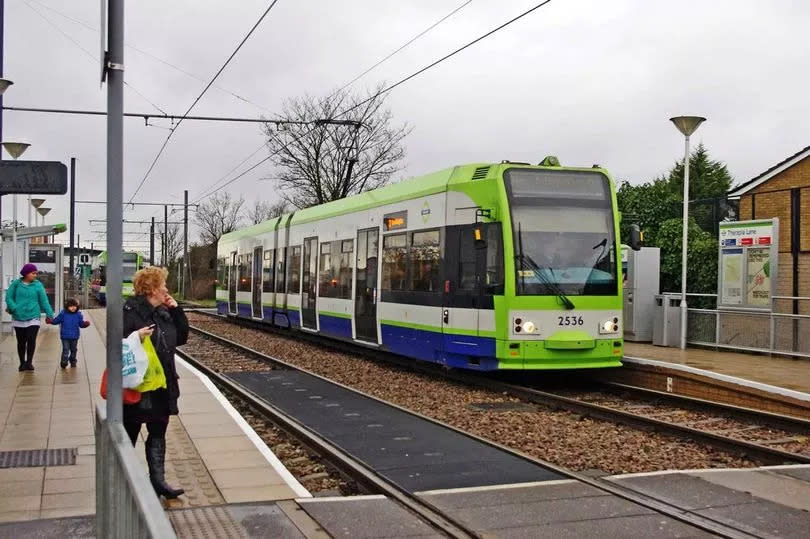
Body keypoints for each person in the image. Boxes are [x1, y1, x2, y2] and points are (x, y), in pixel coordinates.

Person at [122, 266, 188, 499]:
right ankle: (124, 481)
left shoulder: (163, 312)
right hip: (139, 385)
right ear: (151, 289)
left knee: (158, 429)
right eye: (162, 286)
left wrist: (177, 311)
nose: (166, 290)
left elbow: (181, 338)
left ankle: (157, 481)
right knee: (130, 430)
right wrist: (135, 337)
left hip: (162, 383)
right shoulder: (130, 312)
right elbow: (119, 343)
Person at [5, 263, 54, 371]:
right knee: (21, 341)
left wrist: (49, 314)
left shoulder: (38, 285)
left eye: (36, 273)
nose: (35, 275)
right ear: (26, 273)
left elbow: (44, 301)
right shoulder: (16, 284)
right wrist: (14, 308)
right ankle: (22, 363)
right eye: (33, 273)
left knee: (31, 339)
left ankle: (29, 362)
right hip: (19, 317)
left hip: (33, 317)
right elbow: (9, 297)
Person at [49, 298, 91, 368]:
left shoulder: (78, 315)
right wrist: (51, 321)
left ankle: (73, 360)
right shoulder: (63, 314)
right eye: (71, 306)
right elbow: (56, 321)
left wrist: (85, 324)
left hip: (74, 336)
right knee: (65, 350)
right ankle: (64, 362)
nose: (73, 308)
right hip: (65, 336)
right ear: (67, 307)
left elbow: (81, 324)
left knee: (73, 350)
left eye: (75, 306)